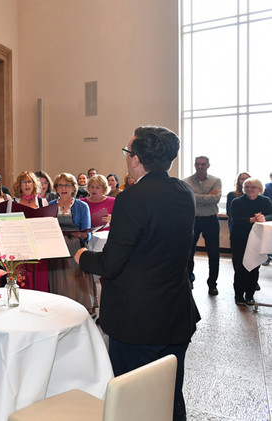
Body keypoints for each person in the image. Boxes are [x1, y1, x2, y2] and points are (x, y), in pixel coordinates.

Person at [75, 126, 200, 421]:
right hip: (175, 313)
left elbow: (111, 263)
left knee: (134, 403)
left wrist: (83, 257)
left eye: (127, 152)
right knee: (170, 397)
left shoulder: (132, 199)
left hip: (138, 320)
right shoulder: (185, 192)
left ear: (135, 159)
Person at [49, 172, 95, 314]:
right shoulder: (50, 205)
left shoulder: (82, 206)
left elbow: (87, 233)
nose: (64, 188)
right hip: (56, 250)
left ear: (73, 188)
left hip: (75, 248)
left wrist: (82, 235)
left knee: (74, 282)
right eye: (61, 185)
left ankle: (77, 312)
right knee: (59, 281)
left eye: (67, 185)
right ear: (56, 188)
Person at [230, 178, 272, 306]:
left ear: (259, 189)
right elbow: (236, 219)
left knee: (254, 267)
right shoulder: (237, 202)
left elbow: (271, 215)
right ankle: (238, 295)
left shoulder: (265, 201)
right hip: (239, 238)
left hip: (258, 239)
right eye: (247, 186)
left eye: (253, 187)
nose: (249, 189)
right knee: (240, 267)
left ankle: (250, 295)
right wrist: (252, 219)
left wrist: (264, 218)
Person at [184, 156, 222, 296]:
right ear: (194, 165)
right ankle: (189, 280)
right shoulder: (186, 181)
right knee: (189, 252)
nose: (200, 166)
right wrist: (207, 196)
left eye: (203, 164)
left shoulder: (216, 181)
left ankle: (212, 284)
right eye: (197, 164)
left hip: (210, 220)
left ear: (208, 165)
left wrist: (195, 196)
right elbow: (186, 199)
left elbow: (216, 199)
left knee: (214, 254)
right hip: (192, 220)